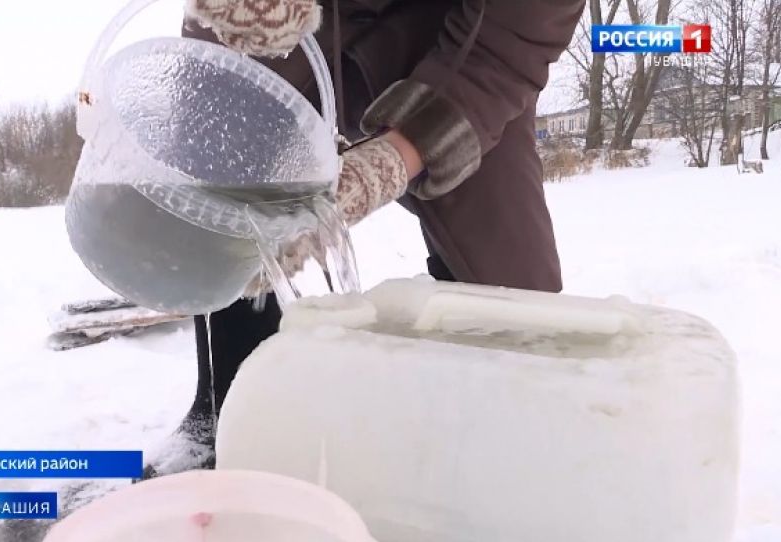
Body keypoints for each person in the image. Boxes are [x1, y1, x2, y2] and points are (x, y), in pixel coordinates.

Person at [141, 0, 584, 477]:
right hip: (289, 21)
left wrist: (395, 160)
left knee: (516, 288)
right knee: (223, 180)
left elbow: (510, 41)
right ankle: (226, 410)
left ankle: (481, 439)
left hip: (454, 32)